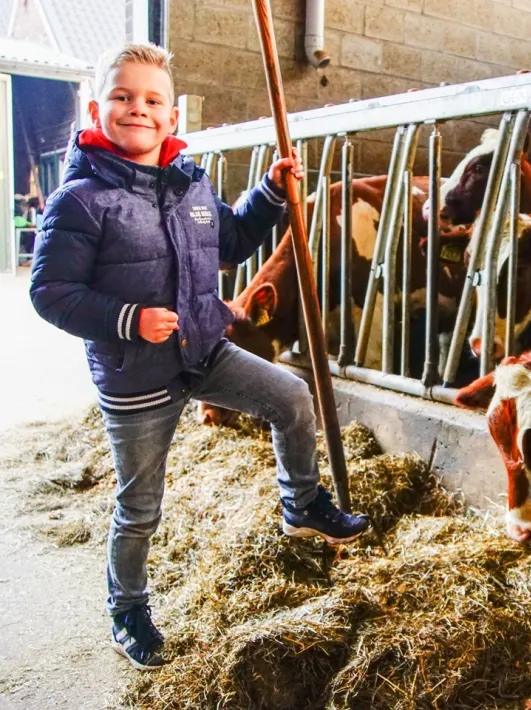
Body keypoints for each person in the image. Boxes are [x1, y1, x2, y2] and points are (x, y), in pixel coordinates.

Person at [29, 43, 370, 671]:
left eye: (152, 100)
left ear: (172, 117)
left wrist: (268, 194)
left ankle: (302, 504)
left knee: (292, 398)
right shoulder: (79, 201)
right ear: (95, 106)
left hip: (204, 350)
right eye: (123, 97)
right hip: (136, 377)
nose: (138, 109)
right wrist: (127, 319)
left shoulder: (190, 182)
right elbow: (50, 294)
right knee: (141, 506)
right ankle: (127, 609)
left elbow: (231, 242)